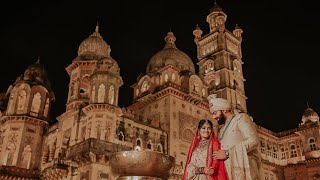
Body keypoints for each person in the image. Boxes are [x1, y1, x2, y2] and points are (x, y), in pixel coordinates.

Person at [207, 94, 261, 180]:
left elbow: (253, 141)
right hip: (229, 173)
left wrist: (227, 153)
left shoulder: (241, 118)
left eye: (215, 113)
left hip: (245, 172)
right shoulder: (222, 130)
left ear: (224, 110)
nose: (214, 117)